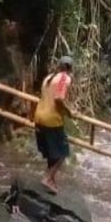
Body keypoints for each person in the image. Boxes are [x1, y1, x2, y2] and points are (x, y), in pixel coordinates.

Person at [33, 56, 74, 193]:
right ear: (70, 68)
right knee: (63, 153)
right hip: (51, 121)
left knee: (52, 153)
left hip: (39, 117)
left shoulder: (49, 78)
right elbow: (58, 98)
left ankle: (51, 180)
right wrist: (69, 112)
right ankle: (47, 178)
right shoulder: (64, 78)